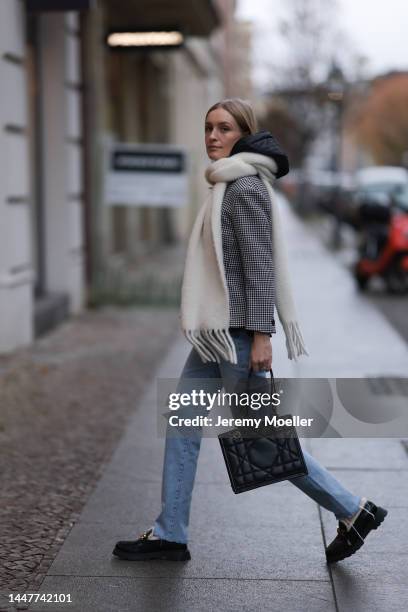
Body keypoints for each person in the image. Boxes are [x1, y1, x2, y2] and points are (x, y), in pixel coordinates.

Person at [112, 98, 387, 565]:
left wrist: (262, 335)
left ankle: (352, 509)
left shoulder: (244, 188)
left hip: (239, 334)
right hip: (219, 333)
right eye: (208, 128)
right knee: (182, 423)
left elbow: (260, 268)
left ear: (244, 134)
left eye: (224, 128)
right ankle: (170, 532)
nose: (213, 137)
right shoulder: (225, 183)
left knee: (265, 439)